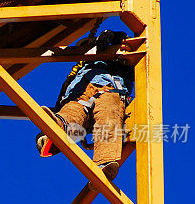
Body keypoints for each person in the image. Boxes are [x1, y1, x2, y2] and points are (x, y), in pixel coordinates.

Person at [36, 29, 134, 182]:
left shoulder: (118, 58)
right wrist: (48, 127)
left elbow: (129, 46)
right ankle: (59, 127)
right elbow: (62, 99)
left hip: (110, 91)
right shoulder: (81, 69)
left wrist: (112, 37)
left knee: (108, 117)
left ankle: (105, 164)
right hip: (81, 96)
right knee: (72, 111)